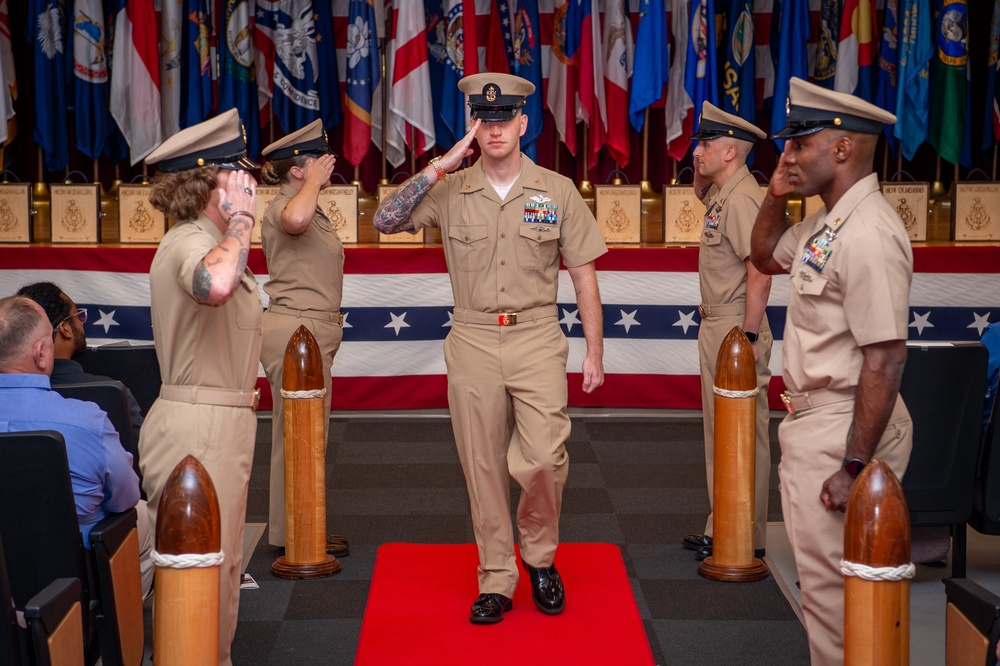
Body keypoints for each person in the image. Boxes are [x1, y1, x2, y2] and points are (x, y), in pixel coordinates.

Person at [373, 73, 607, 624]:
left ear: (524, 123)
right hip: (474, 338)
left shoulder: (558, 191)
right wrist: (440, 164)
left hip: (536, 336)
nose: (495, 129)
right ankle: (497, 576)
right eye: (484, 120)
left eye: (505, 120)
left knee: (546, 458)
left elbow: (585, 277)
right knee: (481, 465)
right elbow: (386, 221)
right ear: (474, 127)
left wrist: (594, 350)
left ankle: (540, 557)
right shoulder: (452, 190)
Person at [750, 77, 913, 665]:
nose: (787, 155)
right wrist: (775, 192)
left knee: (837, 602)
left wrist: (852, 464)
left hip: (843, 428)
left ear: (842, 150)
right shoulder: (829, 224)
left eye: (799, 145)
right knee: (829, 597)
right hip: (820, 423)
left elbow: (886, 357)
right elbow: (766, 255)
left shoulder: (867, 233)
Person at [141, 108, 261, 666]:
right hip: (200, 425)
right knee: (202, 576)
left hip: (221, 422)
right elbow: (213, 284)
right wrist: (240, 222)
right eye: (236, 173)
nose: (248, 182)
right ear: (207, 181)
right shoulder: (191, 241)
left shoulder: (209, 238)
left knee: (222, 570)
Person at [0, 295, 153, 597]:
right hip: (67, 577)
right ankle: (119, 631)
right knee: (147, 516)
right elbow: (126, 497)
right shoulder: (86, 421)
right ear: (42, 353)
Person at [682, 102, 772, 563]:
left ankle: (746, 534)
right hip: (720, 322)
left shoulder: (741, 198)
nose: (697, 151)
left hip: (737, 325)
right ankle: (723, 525)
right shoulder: (725, 191)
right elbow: (702, 195)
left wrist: (750, 338)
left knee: (743, 434)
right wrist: (702, 173)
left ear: (731, 152)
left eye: (707, 143)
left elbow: (760, 270)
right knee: (721, 432)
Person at [259, 119, 349, 558]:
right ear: (298, 170)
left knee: (308, 435)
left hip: (311, 330)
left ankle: (304, 527)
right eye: (318, 159)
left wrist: (312, 183)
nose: (328, 163)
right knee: (296, 436)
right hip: (297, 331)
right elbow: (294, 219)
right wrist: (312, 182)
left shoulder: (306, 202)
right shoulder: (288, 205)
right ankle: (295, 537)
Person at [16, 281, 144, 445]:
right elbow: (144, 455)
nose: (82, 322)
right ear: (65, 329)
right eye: (78, 316)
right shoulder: (113, 392)